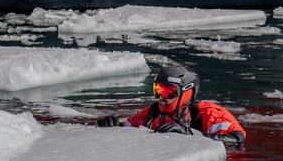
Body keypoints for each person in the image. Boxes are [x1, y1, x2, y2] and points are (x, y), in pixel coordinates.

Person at [97, 64, 246, 150]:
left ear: (188, 92)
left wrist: (189, 134)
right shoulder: (150, 113)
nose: (161, 98)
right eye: (158, 90)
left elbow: (236, 139)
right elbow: (128, 130)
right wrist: (113, 126)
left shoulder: (209, 113)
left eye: (169, 92)